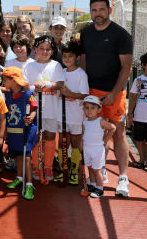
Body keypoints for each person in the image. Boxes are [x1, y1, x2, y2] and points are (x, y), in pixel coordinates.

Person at [80, 0, 133, 197]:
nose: (98, 14)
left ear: (109, 10)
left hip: (115, 92)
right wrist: (85, 91)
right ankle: (101, 168)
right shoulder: (85, 33)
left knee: (118, 133)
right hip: (92, 92)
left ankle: (123, 177)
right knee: (97, 134)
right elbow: (83, 61)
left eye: (102, 9)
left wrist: (114, 92)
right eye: (94, 10)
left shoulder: (121, 35)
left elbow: (126, 67)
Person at [25, 36, 65, 182]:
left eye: (48, 49)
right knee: (35, 137)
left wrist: (46, 85)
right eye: (41, 48)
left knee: (49, 136)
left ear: (52, 51)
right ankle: (36, 165)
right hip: (35, 109)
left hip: (51, 109)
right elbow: (25, 86)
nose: (44, 51)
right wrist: (35, 86)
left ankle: (48, 166)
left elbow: (60, 84)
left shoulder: (56, 65)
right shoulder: (30, 66)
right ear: (35, 49)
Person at [2, 67, 38, 200]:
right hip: (13, 130)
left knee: (26, 156)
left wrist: (32, 116)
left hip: (25, 131)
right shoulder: (9, 96)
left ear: (14, 80)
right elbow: (6, 114)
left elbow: (34, 108)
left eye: (6, 79)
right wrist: (5, 130)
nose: (3, 81)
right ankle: (19, 178)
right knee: (18, 154)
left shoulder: (27, 94)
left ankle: (29, 184)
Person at [57, 41, 88, 185]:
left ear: (77, 57)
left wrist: (69, 94)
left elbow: (84, 95)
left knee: (75, 143)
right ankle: (63, 169)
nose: (67, 59)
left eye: (70, 56)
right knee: (63, 143)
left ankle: (74, 171)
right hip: (62, 115)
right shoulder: (61, 72)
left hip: (76, 115)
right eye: (64, 56)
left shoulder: (81, 74)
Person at [81, 96, 117, 198]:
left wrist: (105, 140)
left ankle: (100, 189)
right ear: (83, 109)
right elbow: (84, 134)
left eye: (92, 108)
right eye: (86, 108)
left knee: (97, 170)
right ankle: (92, 185)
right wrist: (82, 145)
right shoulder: (84, 122)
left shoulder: (100, 121)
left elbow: (113, 128)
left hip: (97, 150)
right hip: (87, 149)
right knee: (90, 168)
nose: (89, 111)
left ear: (99, 109)